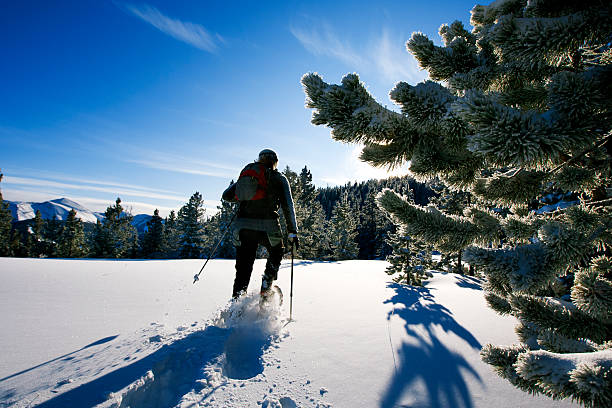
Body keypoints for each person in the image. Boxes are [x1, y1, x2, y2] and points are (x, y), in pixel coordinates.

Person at [222, 149, 299, 299]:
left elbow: (226, 196)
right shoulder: (279, 178)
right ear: (274, 162)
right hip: (269, 227)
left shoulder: (248, 175)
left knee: (243, 269)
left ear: (259, 160)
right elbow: (288, 206)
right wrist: (293, 232)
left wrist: (244, 195)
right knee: (277, 251)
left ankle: (236, 306)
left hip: (243, 228)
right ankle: (266, 285)